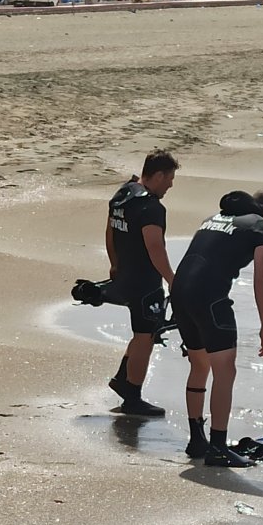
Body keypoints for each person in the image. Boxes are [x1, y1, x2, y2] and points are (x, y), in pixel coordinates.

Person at [170, 188, 263, 467]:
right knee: (225, 370)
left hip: (180, 293)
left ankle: (197, 439)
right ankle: (218, 447)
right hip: (210, 298)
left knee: (200, 365)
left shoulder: (214, 219)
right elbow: (261, 278)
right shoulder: (261, 228)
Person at [105, 150, 178, 417]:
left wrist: (114, 263)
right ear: (158, 176)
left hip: (124, 274)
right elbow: (155, 247)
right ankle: (132, 398)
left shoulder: (124, 194)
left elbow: (110, 230)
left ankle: (122, 379)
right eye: (169, 178)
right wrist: (172, 280)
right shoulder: (151, 207)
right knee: (145, 336)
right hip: (145, 281)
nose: (171, 184)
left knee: (143, 331)